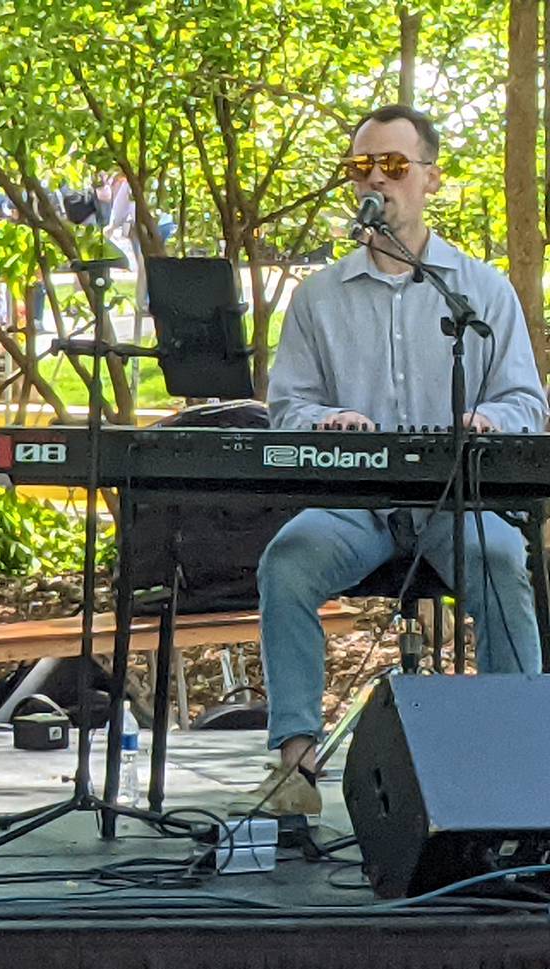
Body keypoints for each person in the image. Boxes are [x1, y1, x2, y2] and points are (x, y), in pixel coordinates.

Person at [237, 104, 547, 817]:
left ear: (430, 179)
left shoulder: (480, 289)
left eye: (395, 165)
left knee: (503, 562)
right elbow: (287, 408)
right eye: (362, 166)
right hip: (355, 506)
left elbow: (526, 403)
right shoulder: (318, 296)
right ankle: (295, 768)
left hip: (457, 501)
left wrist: (486, 418)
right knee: (285, 562)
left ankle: (518, 766)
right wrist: (328, 420)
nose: (377, 178)